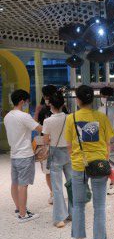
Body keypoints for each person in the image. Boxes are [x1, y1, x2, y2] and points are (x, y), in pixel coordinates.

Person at [65, 85, 114, 239]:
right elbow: (108, 144)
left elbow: (69, 146)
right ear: (92, 99)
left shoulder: (71, 118)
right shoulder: (101, 117)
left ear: (77, 100)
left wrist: (77, 158)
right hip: (100, 165)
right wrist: (106, 162)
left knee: (78, 204)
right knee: (99, 205)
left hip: (79, 165)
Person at [4, 89, 42, 223]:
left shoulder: (7, 116)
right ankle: (23, 214)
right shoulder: (24, 116)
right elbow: (40, 129)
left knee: (15, 183)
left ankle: (19, 208)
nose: (27, 104)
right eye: (27, 102)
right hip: (25, 154)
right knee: (23, 185)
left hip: (14, 154)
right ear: (22, 101)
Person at [34, 84, 68, 204]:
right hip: (56, 145)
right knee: (52, 171)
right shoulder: (45, 109)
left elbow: (36, 125)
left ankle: (55, 194)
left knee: (51, 171)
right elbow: (35, 124)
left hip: (51, 144)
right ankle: (54, 193)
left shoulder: (57, 109)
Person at [42, 91, 72, 228]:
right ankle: (73, 214)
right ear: (63, 104)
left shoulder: (47, 121)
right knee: (71, 184)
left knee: (57, 187)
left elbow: (46, 140)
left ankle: (60, 218)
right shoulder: (70, 118)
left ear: (51, 105)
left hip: (55, 153)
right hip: (70, 152)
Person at [99, 86, 114, 195]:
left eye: (103, 95)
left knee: (106, 159)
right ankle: (112, 184)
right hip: (113, 135)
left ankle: (109, 184)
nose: (103, 97)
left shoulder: (100, 109)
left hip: (104, 137)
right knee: (110, 159)